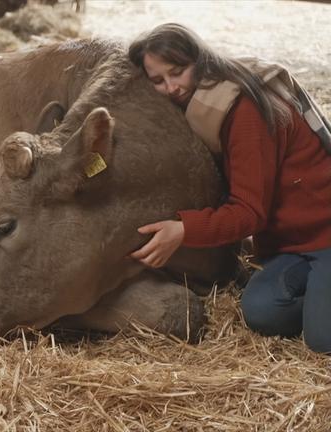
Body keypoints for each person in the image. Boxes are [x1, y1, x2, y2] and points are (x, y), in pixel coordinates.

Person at [126, 23, 331, 353]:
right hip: (294, 242)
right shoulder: (210, 98)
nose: (171, 87)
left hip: (325, 231)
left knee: (323, 340)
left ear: (200, 60)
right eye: (158, 81)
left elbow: (249, 212)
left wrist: (183, 230)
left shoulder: (243, 110)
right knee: (261, 311)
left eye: (178, 72)